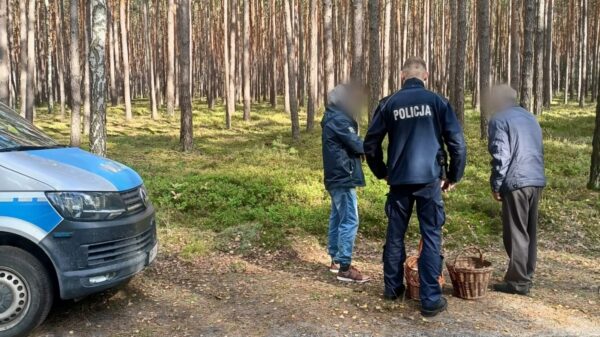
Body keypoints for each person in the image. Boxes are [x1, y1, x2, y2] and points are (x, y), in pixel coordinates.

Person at [364, 57, 467, 317]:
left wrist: (382, 173)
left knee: (395, 235)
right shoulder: (438, 102)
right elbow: (457, 143)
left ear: (402, 76)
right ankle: (430, 300)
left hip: (399, 182)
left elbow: (370, 144)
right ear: (426, 75)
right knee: (431, 236)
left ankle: (392, 288)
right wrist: (453, 175)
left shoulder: (389, 104)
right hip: (430, 181)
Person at [487, 85, 546, 295]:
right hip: (535, 180)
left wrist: (496, 184)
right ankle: (525, 275)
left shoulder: (499, 119)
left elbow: (501, 155)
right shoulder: (530, 117)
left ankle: (518, 282)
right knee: (529, 231)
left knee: (516, 232)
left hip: (516, 181)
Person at [321, 83, 370, 283]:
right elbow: (356, 143)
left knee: (338, 217)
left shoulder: (331, 117)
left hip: (336, 176)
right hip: (343, 175)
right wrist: (371, 149)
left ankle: (335, 260)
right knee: (350, 219)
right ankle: (345, 268)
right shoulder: (340, 120)